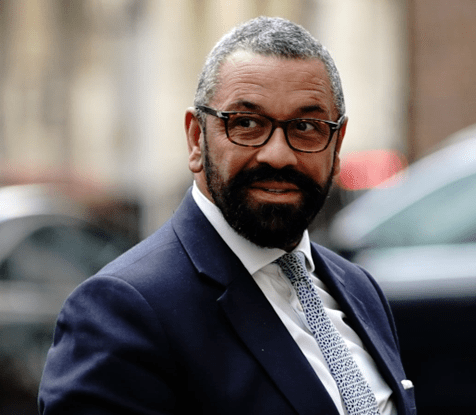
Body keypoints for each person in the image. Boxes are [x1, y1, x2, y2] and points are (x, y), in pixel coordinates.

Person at [39, 16, 416, 415]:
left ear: (336, 146)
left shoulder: (360, 289)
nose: (278, 154)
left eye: (306, 126)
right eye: (246, 123)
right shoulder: (122, 311)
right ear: (196, 139)